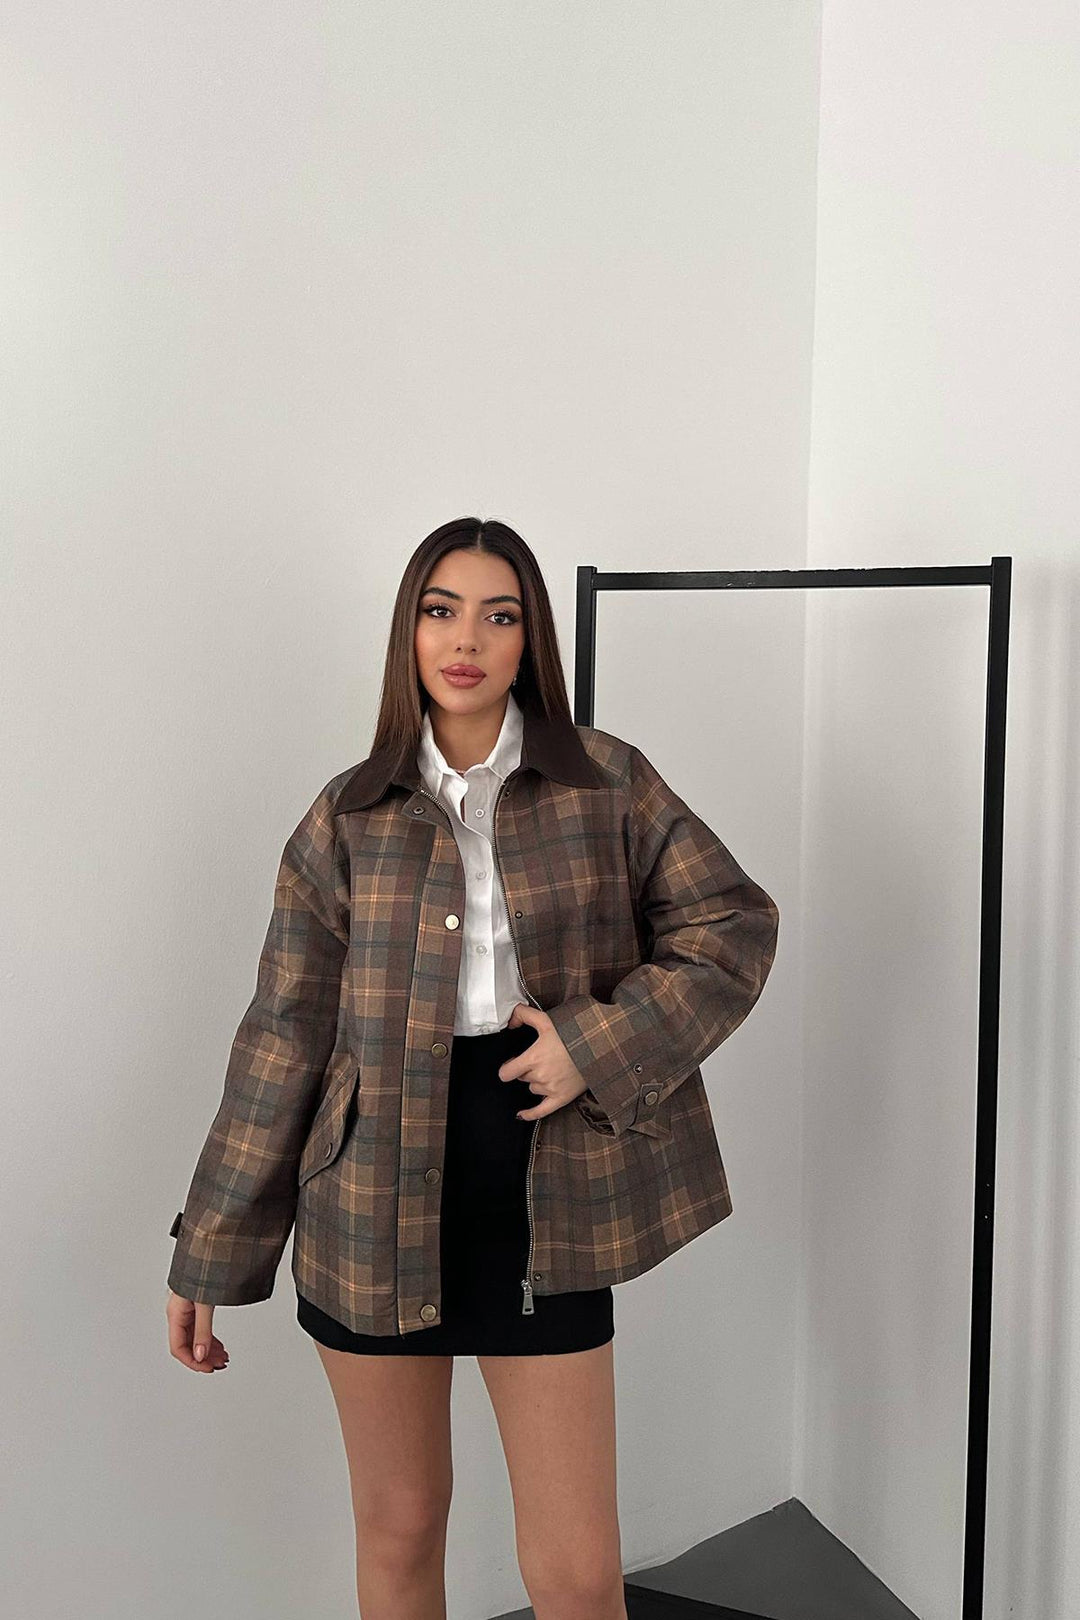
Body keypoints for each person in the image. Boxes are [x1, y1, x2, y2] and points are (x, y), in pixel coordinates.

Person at [165, 515, 780, 1619]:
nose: (467, 640)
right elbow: (283, 1034)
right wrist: (211, 1245)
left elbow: (730, 926)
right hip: (367, 1201)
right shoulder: (345, 816)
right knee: (400, 1528)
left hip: (550, 1194)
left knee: (576, 1572)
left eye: (499, 616)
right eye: (440, 611)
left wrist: (593, 1045)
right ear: (407, 632)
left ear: (529, 638)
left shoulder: (608, 782)